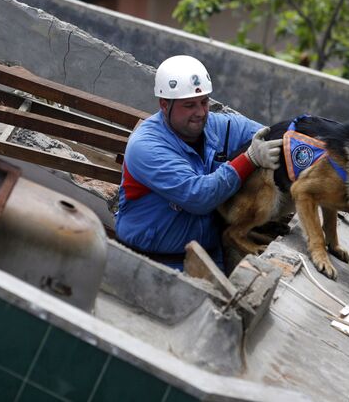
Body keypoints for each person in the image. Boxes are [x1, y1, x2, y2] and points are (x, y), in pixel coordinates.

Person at [115, 55, 282, 271]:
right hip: (152, 264)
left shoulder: (218, 126)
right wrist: (248, 159)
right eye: (189, 105)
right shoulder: (146, 146)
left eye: (204, 102)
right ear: (164, 105)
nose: (201, 113)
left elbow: (269, 135)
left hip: (209, 261)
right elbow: (198, 196)